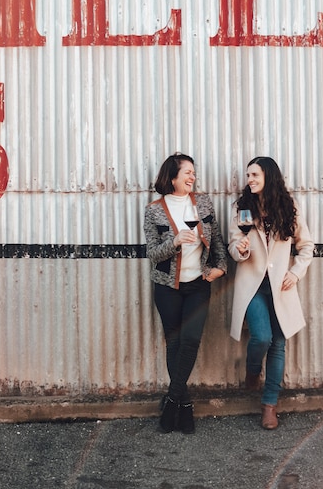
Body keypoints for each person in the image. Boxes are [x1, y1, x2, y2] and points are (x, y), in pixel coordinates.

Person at [143, 153, 228, 434]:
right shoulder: (154, 210)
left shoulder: (202, 203)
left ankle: (171, 401)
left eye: (194, 172)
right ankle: (184, 404)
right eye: (187, 172)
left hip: (198, 284)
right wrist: (175, 241)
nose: (192, 177)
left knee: (190, 341)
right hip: (167, 287)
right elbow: (153, 254)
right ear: (172, 177)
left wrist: (222, 267)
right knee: (175, 343)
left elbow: (215, 239)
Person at [227, 157, 314, 430]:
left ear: (269, 176)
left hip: (280, 286)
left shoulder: (290, 208)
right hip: (251, 285)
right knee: (261, 337)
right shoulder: (241, 208)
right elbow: (232, 244)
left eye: (255, 174)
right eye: (248, 175)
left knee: (278, 343)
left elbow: (306, 245)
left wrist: (295, 272)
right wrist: (239, 250)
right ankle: (253, 371)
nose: (249, 179)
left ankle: (269, 405)